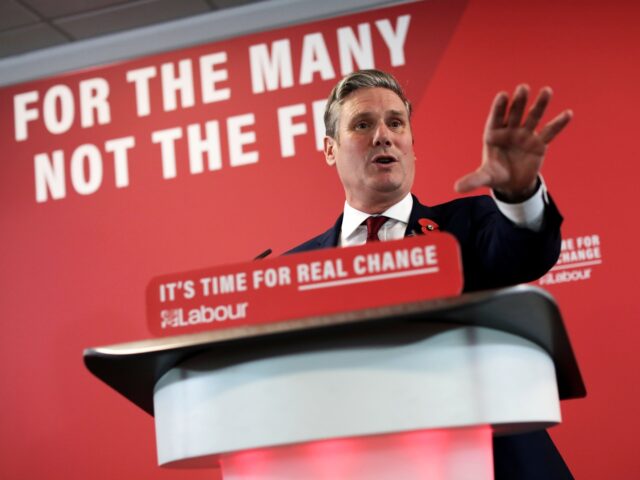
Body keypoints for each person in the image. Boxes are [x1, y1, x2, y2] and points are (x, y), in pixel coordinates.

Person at [287, 69, 574, 478]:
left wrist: (519, 194)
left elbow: (525, 251)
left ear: (411, 145)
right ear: (330, 150)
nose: (382, 135)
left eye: (395, 123)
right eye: (362, 124)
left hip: (491, 460)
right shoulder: (294, 271)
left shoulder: (467, 226)